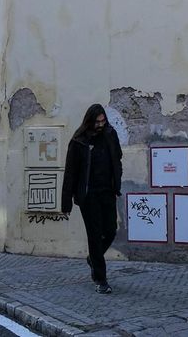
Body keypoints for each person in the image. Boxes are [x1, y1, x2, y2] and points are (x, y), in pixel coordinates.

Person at [61, 103, 123, 293]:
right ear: (90, 121)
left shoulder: (110, 135)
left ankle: (93, 259)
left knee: (111, 230)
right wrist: (66, 201)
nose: (100, 125)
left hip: (107, 192)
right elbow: (70, 173)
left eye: (103, 121)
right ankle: (100, 279)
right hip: (88, 196)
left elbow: (117, 157)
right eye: (97, 122)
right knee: (95, 236)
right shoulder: (79, 142)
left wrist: (117, 180)